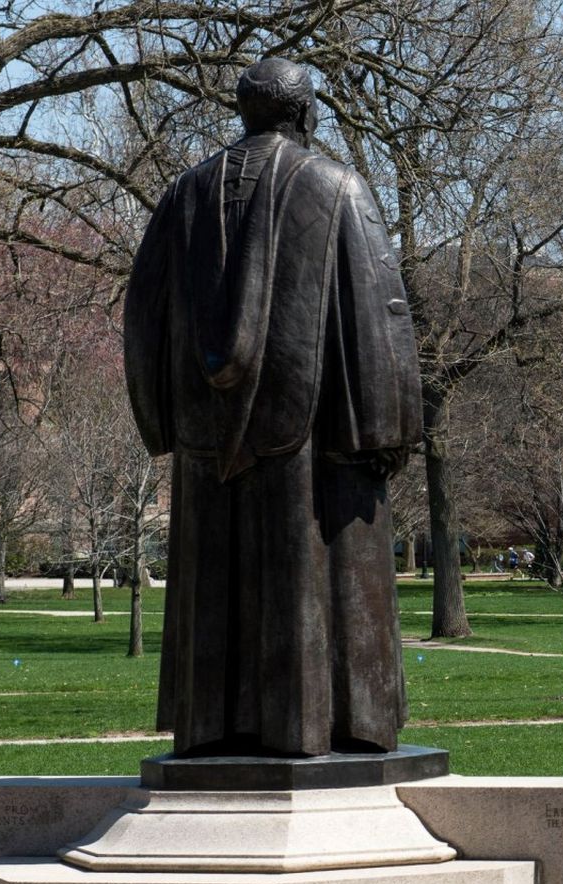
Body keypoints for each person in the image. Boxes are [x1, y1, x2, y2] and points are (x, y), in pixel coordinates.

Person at [122, 58, 421, 757]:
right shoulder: (335, 186)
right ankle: (316, 727)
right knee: (311, 579)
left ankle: (212, 726)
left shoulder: (184, 194)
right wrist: (385, 430)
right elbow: (380, 311)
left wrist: (160, 418)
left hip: (204, 434)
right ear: (305, 114)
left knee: (215, 585)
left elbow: (142, 313)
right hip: (314, 436)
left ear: (245, 114)